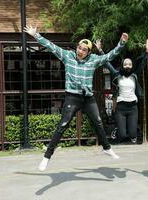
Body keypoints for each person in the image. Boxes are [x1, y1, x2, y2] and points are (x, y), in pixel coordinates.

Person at [24, 25, 129, 171]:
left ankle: (107, 148)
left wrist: (121, 43)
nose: (80, 51)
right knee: (63, 125)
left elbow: (109, 56)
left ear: (89, 52)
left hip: (88, 98)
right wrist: (36, 35)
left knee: (98, 122)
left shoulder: (93, 60)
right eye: (79, 48)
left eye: (84, 50)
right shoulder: (68, 56)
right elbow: (51, 46)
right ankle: (47, 157)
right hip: (72, 97)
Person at [94, 39, 148, 144]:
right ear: (122, 65)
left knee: (133, 135)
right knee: (123, 135)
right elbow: (107, 63)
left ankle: (128, 132)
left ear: (132, 66)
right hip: (121, 107)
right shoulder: (117, 75)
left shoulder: (134, 75)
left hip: (133, 107)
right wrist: (100, 50)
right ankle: (118, 129)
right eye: (126, 64)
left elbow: (143, 63)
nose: (128, 66)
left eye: (130, 64)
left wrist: (147, 51)